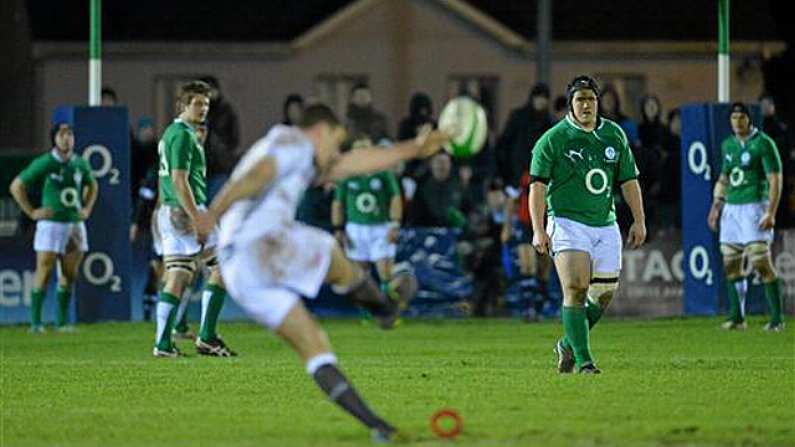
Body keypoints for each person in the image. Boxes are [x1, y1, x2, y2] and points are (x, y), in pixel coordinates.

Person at [193, 104, 447, 442]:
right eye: (336, 141)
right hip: (260, 243)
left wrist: (413, 149)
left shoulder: (302, 159)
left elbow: (349, 166)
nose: (336, 151)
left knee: (315, 347)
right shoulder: (292, 141)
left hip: (239, 272)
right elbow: (259, 175)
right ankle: (385, 308)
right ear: (321, 131)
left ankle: (379, 427)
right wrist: (213, 212)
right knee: (327, 248)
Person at [529, 75, 647, 374]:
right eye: (580, 99)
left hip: (605, 224)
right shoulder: (552, 139)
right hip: (567, 223)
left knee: (604, 294)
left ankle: (568, 344)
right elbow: (537, 187)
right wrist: (538, 228)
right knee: (576, 287)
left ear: (598, 102)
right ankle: (584, 361)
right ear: (570, 104)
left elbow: (629, 180)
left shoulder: (614, 135)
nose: (586, 105)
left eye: (591, 99)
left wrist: (639, 220)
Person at [152, 80, 236, 357]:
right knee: (222, 264)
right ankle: (207, 336)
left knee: (178, 274)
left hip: (170, 211)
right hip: (184, 210)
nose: (203, 109)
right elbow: (179, 180)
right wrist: (196, 217)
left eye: (206, 105)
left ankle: (163, 344)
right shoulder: (183, 136)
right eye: (197, 104)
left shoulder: (173, 134)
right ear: (183, 106)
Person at [9, 122, 98, 332]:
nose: (67, 138)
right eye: (62, 134)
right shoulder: (46, 162)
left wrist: (86, 209)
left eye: (70, 134)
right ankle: (36, 323)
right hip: (51, 224)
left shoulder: (80, 163)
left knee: (70, 273)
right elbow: (17, 185)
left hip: (74, 223)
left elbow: (92, 185)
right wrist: (32, 212)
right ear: (54, 139)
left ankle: (61, 322)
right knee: (45, 270)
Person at [707, 102, 785, 332]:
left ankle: (777, 319)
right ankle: (737, 318)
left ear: (750, 120)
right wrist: (715, 207)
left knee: (761, 262)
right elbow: (725, 177)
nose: (737, 122)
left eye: (741, 118)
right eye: (733, 118)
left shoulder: (764, 144)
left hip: (754, 207)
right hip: (731, 209)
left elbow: (775, 179)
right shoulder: (728, 145)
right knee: (731, 264)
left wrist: (771, 212)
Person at [331, 135, 402, 294]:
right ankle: (367, 312)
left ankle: (388, 310)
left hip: (380, 227)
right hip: (355, 229)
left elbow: (395, 198)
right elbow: (338, 204)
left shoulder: (383, 172)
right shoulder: (346, 174)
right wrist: (338, 229)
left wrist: (395, 224)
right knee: (359, 274)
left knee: (385, 271)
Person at [495, 82, 554, 189]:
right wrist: (503, 174)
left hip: (540, 178)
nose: (541, 101)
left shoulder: (550, 123)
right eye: (538, 97)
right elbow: (504, 145)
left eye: (544, 98)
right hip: (516, 177)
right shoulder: (518, 118)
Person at [759, 94, 792, 227]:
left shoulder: (780, 127)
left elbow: (786, 148)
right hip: (764, 174)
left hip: (779, 171)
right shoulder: (758, 128)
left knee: (781, 200)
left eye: (768, 105)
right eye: (763, 106)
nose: (765, 108)